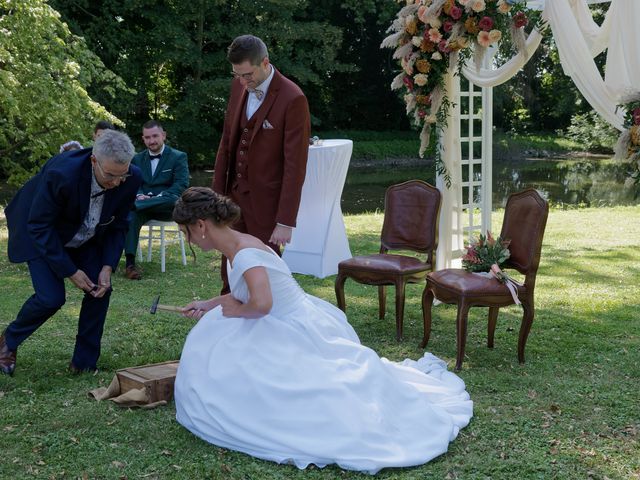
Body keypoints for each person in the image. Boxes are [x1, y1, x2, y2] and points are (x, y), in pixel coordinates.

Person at [171, 187, 473, 474]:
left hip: (288, 325)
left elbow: (261, 304)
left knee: (297, 387)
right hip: (289, 315)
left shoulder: (245, 254)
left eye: (186, 233)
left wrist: (237, 312)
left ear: (200, 226)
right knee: (216, 338)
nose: (190, 241)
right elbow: (245, 293)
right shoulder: (237, 243)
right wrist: (209, 304)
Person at [0, 130, 143, 376]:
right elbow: (39, 226)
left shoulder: (130, 177)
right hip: (41, 231)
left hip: (85, 233)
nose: (117, 182)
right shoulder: (61, 173)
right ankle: (6, 342)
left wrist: (108, 266)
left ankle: (84, 362)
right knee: (51, 298)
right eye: (110, 175)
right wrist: (70, 271)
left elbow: (119, 225)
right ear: (94, 161)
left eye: (123, 175)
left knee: (101, 289)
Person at [212, 34, 310, 294]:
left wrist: (285, 220)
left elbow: (295, 165)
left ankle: (266, 330)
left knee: (265, 274)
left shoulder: (293, 98)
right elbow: (226, 143)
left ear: (265, 62)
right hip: (232, 199)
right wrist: (215, 198)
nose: (243, 82)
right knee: (229, 270)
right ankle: (228, 325)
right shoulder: (238, 87)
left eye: (247, 74)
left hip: (266, 206)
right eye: (237, 75)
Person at [122, 120, 189, 279]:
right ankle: (130, 264)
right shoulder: (137, 159)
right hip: (142, 207)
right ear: (143, 138)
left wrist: (156, 197)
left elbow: (181, 184)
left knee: (173, 199)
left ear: (163, 135)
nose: (151, 141)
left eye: (155, 136)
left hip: (166, 206)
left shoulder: (178, 157)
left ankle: (135, 205)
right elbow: (133, 182)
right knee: (132, 217)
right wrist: (139, 195)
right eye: (147, 137)